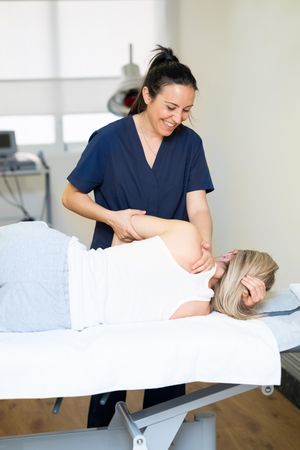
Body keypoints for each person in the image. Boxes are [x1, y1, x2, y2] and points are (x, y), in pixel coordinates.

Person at [62, 44, 215, 426]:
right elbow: (71, 195)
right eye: (169, 107)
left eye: (185, 110)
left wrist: (205, 243)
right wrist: (112, 218)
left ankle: (159, 435)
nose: (177, 118)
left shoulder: (190, 144)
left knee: (165, 379)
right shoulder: (110, 139)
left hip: (166, 277)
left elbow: (197, 207)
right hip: (114, 268)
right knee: (111, 378)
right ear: (146, 95)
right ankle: (101, 435)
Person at [0, 216, 277, 333]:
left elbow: (124, 229)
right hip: (61, 311)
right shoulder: (198, 309)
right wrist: (243, 307)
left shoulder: (187, 235)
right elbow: (225, 310)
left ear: (232, 254)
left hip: (57, 256)